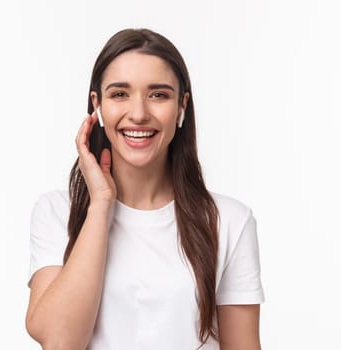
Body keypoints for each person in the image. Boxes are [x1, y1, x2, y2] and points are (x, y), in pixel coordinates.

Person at [24, 28, 265, 350]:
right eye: (120, 94)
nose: (138, 114)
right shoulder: (57, 212)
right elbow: (59, 341)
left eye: (158, 95)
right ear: (97, 105)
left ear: (181, 106)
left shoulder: (228, 220)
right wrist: (101, 204)